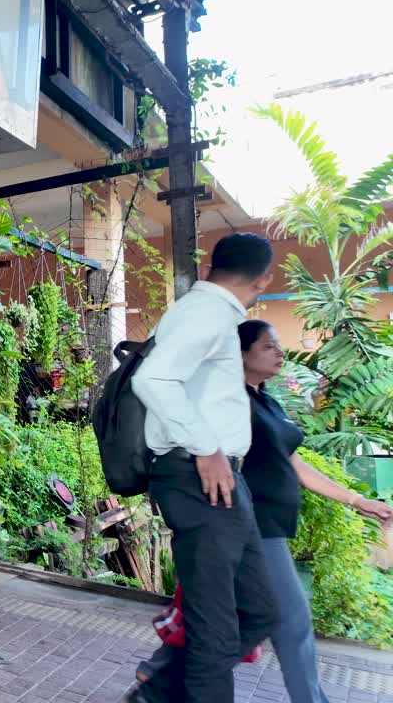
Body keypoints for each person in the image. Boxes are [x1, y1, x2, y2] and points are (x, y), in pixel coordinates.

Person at [135, 320, 393, 703]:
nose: (280, 352)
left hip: (270, 528)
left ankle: (163, 675)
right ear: (240, 355)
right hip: (250, 524)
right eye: (268, 346)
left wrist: (358, 501)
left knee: (250, 619)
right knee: (291, 623)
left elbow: (294, 464)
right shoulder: (227, 406)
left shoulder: (267, 402)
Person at [129, 232, 280, 703]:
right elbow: (151, 379)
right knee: (216, 629)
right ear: (264, 280)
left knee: (257, 611)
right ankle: (165, 692)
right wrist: (205, 448)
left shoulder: (213, 315)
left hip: (221, 481)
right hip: (199, 479)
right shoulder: (207, 314)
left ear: (215, 266)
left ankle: (157, 691)